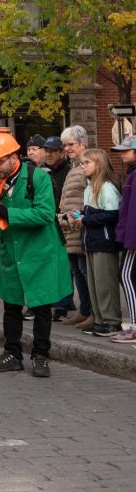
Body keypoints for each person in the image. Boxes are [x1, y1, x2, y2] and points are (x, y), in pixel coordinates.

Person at [0, 129, 71, 377]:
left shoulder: (37, 178)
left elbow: (44, 214)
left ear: (12, 156)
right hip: (11, 251)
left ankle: (41, 356)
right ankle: (12, 354)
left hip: (39, 251)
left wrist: (6, 213)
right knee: (11, 306)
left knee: (41, 307)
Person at [74, 149, 123, 337]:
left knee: (105, 284)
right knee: (94, 284)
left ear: (98, 164)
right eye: (81, 163)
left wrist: (85, 220)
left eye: (86, 163)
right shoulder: (90, 186)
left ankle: (111, 321)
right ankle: (100, 319)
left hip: (104, 241)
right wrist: (81, 216)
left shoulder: (107, 187)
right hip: (92, 241)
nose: (83, 166)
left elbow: (112, 214)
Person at [59, 125, 93, 329]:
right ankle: (85, 310)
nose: (67, 148)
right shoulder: (74, 167)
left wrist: (78, 219)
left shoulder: (88, 166)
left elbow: (87, 199)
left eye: (71, 144)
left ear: (83, 144)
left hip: (81, 228)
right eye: (65, 145)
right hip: (70, 230)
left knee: (85, 270)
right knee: (77, 270)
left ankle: (93, 313)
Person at [42, 136, 76, 321]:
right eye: (46, 150)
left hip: (64, 220)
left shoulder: (69, 172)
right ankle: (60, 300)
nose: (48, 154)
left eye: (53, 151)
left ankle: (64, 303)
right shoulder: (44, 172)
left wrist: (65, 223)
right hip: (48, 220)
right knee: (52, 263)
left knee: (66, 262)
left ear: (61, 153)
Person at [109, 136, 136, 343]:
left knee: (126, 276)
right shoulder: (132, 175)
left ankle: (134, 326)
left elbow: (132, 213)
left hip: (133, 239)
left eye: (127, 150)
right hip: (130, 237)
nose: (122, 153)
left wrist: (129, 240)